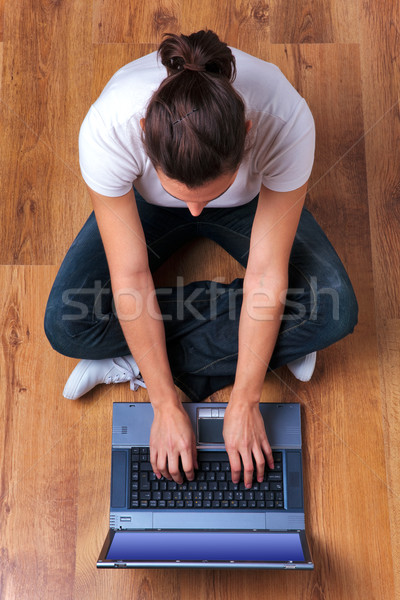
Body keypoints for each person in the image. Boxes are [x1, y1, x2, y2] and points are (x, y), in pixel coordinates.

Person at [44, 30, 358, 490]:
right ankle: (267, 342)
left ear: (248, 134)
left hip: (252, 203)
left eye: (207, 196)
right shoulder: (109, 126)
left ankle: (130, 357)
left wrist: (247, 399)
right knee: (66, 325)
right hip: (144, 209)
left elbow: (267, 273)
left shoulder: (284, 120)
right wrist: (165, 404)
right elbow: (130, 275)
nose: (195, 211)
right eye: (183, 195)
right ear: (143, 133)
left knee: (335, 310)